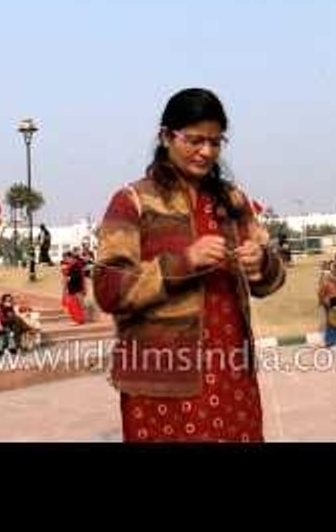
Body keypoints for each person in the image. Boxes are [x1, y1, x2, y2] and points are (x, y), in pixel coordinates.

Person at [94, 88, 286, 443]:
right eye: (194, 140)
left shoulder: (232, 200)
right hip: (161, 384)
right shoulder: (132, 201)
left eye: (216, 142)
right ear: (166, 136)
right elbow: (108, 287)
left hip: (232, 372)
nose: (206, 152)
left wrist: (262, 265)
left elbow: (271, 277)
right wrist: (184, 262)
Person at [60, 250, 87, 324]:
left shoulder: (76, 264)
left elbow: (78, 276)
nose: (65, 260)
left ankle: (79, 320)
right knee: (72, 304)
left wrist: (69, 278)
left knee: (76, 305)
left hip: (76, 288)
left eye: (66, 258)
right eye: (64, 258)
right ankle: (78, 319)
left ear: (70, 257)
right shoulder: (71, 265)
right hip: (72, 288)